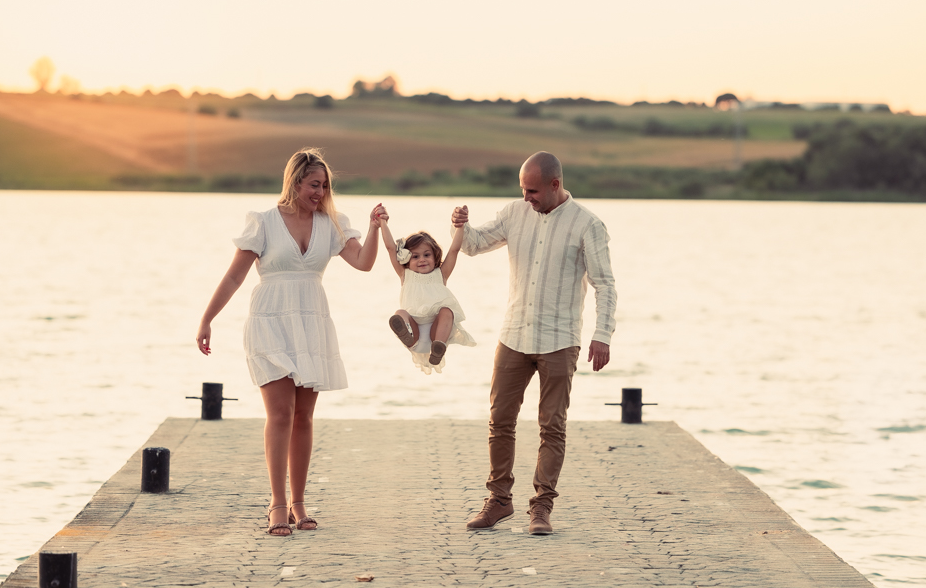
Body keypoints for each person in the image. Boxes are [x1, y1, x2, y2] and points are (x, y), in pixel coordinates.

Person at [196, 148, 386, 537]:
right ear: (295, 181)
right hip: (270, 321)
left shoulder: (332, 223)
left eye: (325, 185)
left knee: (303, 417)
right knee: (280, 414)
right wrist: (208, 318)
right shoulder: (263, 222)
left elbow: (364, 263)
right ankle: (277, 504)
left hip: (311, 324)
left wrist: (375, 227)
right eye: (314, 184)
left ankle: (299, 502)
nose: (320, 192)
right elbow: (234, 277)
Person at [452, 151, 616, 535]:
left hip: (560, 339)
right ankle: (499, 501)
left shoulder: (587, 225)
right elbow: (474, 245)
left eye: (532, 191)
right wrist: (461, 225)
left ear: (555, 185)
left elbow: (605, 284)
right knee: (500, 421)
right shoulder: (514, 213)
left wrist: (602, 334)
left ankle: (541, 508)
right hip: (514, 334)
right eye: (523, 190)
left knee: (552, 427)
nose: (527, 197)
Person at [379, 219, 476, 374]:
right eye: (415, 257)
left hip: (436, 334)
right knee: (400, 313)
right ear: (406, 259)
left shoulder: (441, 274)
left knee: (447, 311)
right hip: (415, 334)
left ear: (435, 255)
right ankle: (406, 334)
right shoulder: (405, 275)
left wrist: (460, 227)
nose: (422, 259)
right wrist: (383, 222)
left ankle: (439, 348)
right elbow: (391, 248)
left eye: (426, 255)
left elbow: (454, 250)